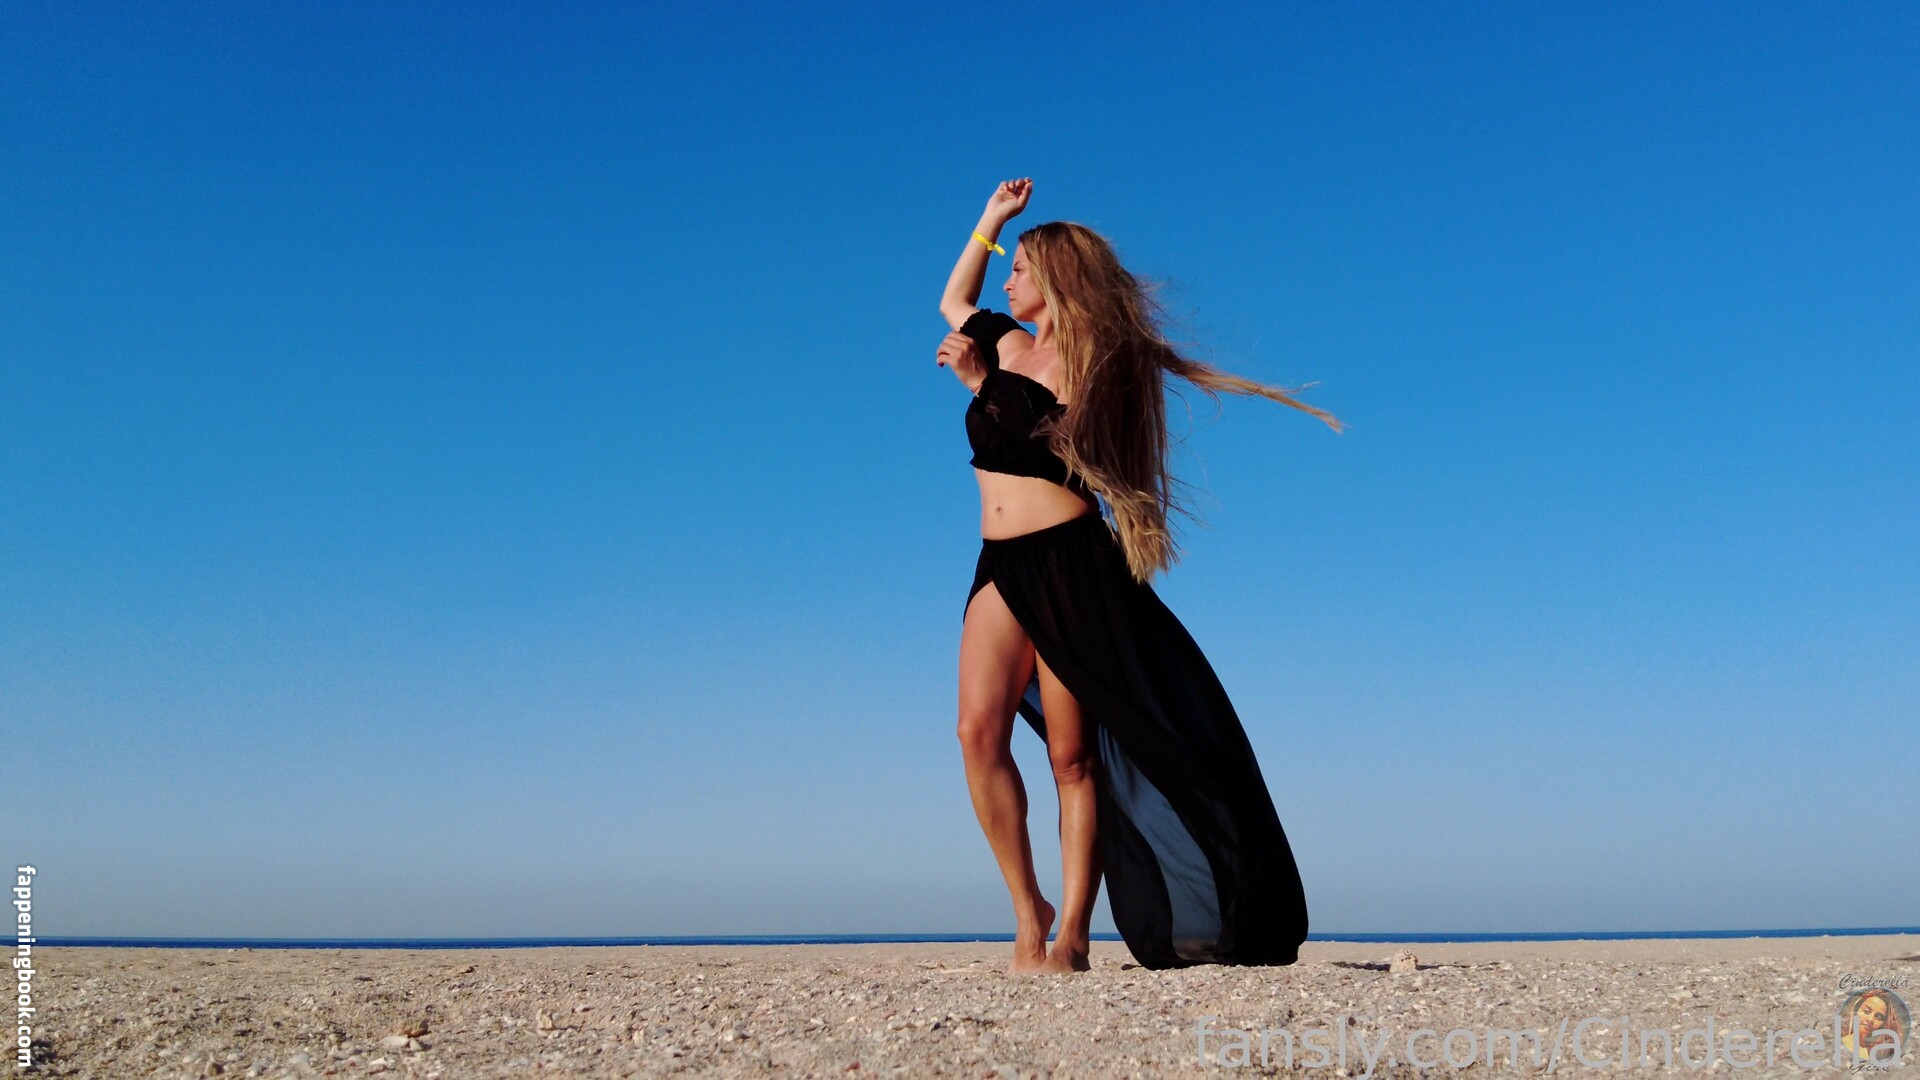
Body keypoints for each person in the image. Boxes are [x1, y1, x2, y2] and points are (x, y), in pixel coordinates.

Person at [935, 177, 1342, 975]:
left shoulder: (1100, 359)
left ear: (1057, 277)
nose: (1007, 281)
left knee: (1071, 757)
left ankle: (1072, 935)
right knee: (977, 733)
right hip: (999, 562)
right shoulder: (1006, 346)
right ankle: (1028, 909)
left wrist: (983, 387)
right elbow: (954, 300)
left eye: (1019, 268)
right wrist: (990, 221)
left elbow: (1069, 442)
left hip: (1069, 564)